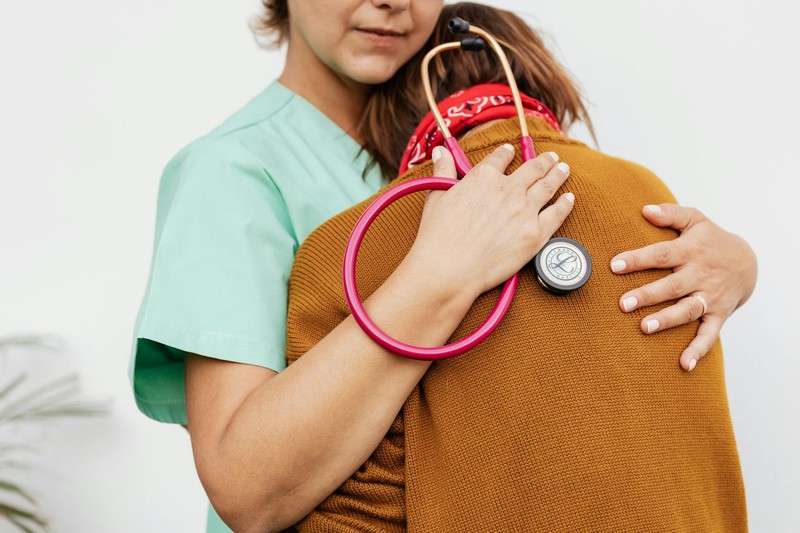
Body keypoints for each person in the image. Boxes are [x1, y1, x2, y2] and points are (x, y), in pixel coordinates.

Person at [128, 1, 756, 531]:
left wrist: (736, 266)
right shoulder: (229, 173)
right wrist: (441, 274)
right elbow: (249, 490)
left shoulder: (474, 134)